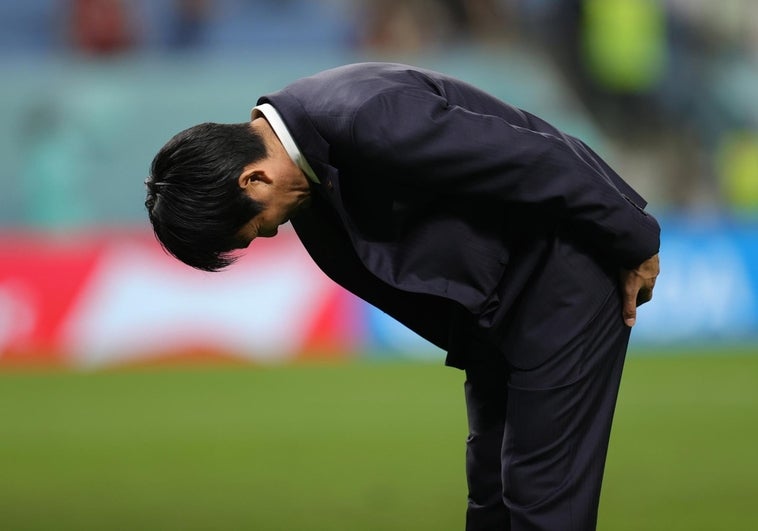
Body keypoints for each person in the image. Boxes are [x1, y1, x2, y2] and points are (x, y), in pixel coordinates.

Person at [145, 62, 660, 530]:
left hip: (561, 278)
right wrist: (482, 352)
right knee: (492, 498)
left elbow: (537, 157)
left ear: (254, 178)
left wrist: (635, 241)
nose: (270, 234)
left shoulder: (366, 117)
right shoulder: (310, 167)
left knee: (542, 500)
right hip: (498, 314)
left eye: (254, 227)